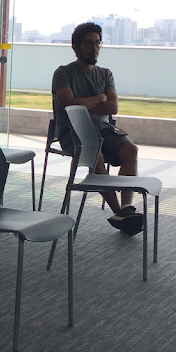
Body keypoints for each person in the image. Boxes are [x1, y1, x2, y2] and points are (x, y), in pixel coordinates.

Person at [52, 22, 143, 235]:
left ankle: (126, 207)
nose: (94, 47)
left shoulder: (105, 74)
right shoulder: (64, 73)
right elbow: (68, 104)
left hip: (104, 129)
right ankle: (120, 213)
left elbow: (113, 107)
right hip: (74, 132)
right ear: (76, 47)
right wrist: (99, 98)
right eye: (89, 43)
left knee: (131, 150)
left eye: (98, 43)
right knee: (97, 155)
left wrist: (84, 103)